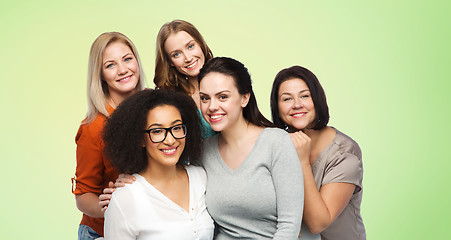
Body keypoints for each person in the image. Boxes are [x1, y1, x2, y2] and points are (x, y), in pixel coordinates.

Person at [198, 57, 304, 239]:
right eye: (205, 98)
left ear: (244, 98)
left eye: (223, 97)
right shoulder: (203, 151)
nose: (212, 106)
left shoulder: (276, 142)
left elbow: (289, 225)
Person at [102, 89, 214, 239]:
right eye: (157, 131)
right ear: (140, 139)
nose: (170, 140)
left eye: (176, 128)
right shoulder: (125, 199)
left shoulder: (200, 177)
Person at [270, 66, 366, 240]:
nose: (297, 104)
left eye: (305, 96)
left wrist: (302, 162)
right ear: (277, 107)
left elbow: (318, 223)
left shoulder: (345, 153)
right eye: (286, 99)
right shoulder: (278, 144)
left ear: (318, 99)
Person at [71, 32, 146, 239]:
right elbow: (83, 196)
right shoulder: (93, 127)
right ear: (101, 74)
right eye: (110, 65)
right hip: (102, 232)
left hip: (145, 228)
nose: (123, 70)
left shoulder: (154, 109)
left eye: (127, 59)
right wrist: (110, 205)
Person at [154, 19, 215, 138]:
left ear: (201, 44)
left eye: (191, 46)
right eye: (176, 54)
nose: (188, 58)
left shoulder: (229, 81)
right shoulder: (170, 101)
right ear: (170, 62)